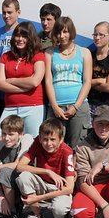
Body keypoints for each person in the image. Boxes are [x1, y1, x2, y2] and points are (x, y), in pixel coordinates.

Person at [14, 118, 76, 218]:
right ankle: (37, 215)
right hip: (43, 182)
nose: (48, 143)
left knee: (59, 211)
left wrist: (38, 198)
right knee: (23, 177)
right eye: (45, 139)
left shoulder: (67, 151)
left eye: (53, 139)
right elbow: (20, 166)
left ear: (61, 139)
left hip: (60, 187)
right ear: (40, 138)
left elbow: (70, 188)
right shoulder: (37, 142)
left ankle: (63, 217)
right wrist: (48, 171)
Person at [44, 16, 92, 147]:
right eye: (59, 32)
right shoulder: (49, 53)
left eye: (65, 32)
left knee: (77, 147)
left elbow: (87, 82)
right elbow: (48, 80)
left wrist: (76, 106)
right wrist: (54, 106)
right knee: (53, 145)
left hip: (78, 107)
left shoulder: (84, 52)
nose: (62, 36)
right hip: (56, 107)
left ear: (71, 32)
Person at [0, 21, 45, 137]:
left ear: (31, 38)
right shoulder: (5, 57)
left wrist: (12, 80)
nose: (20, 39)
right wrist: (25, 88)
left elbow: (35, 81)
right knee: (1, 138)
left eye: (24, 36)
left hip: (33, 107)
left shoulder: (38, 55)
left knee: (32, 142)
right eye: (17, 35)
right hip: (10, 107)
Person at [88, 21, 109, 114]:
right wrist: (99, 81)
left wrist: (90, 83)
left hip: (107, 106)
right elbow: (83, 82)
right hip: (88, 104)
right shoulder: (89, 56)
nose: (97, 38)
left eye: (101, 35)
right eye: (95, 34)